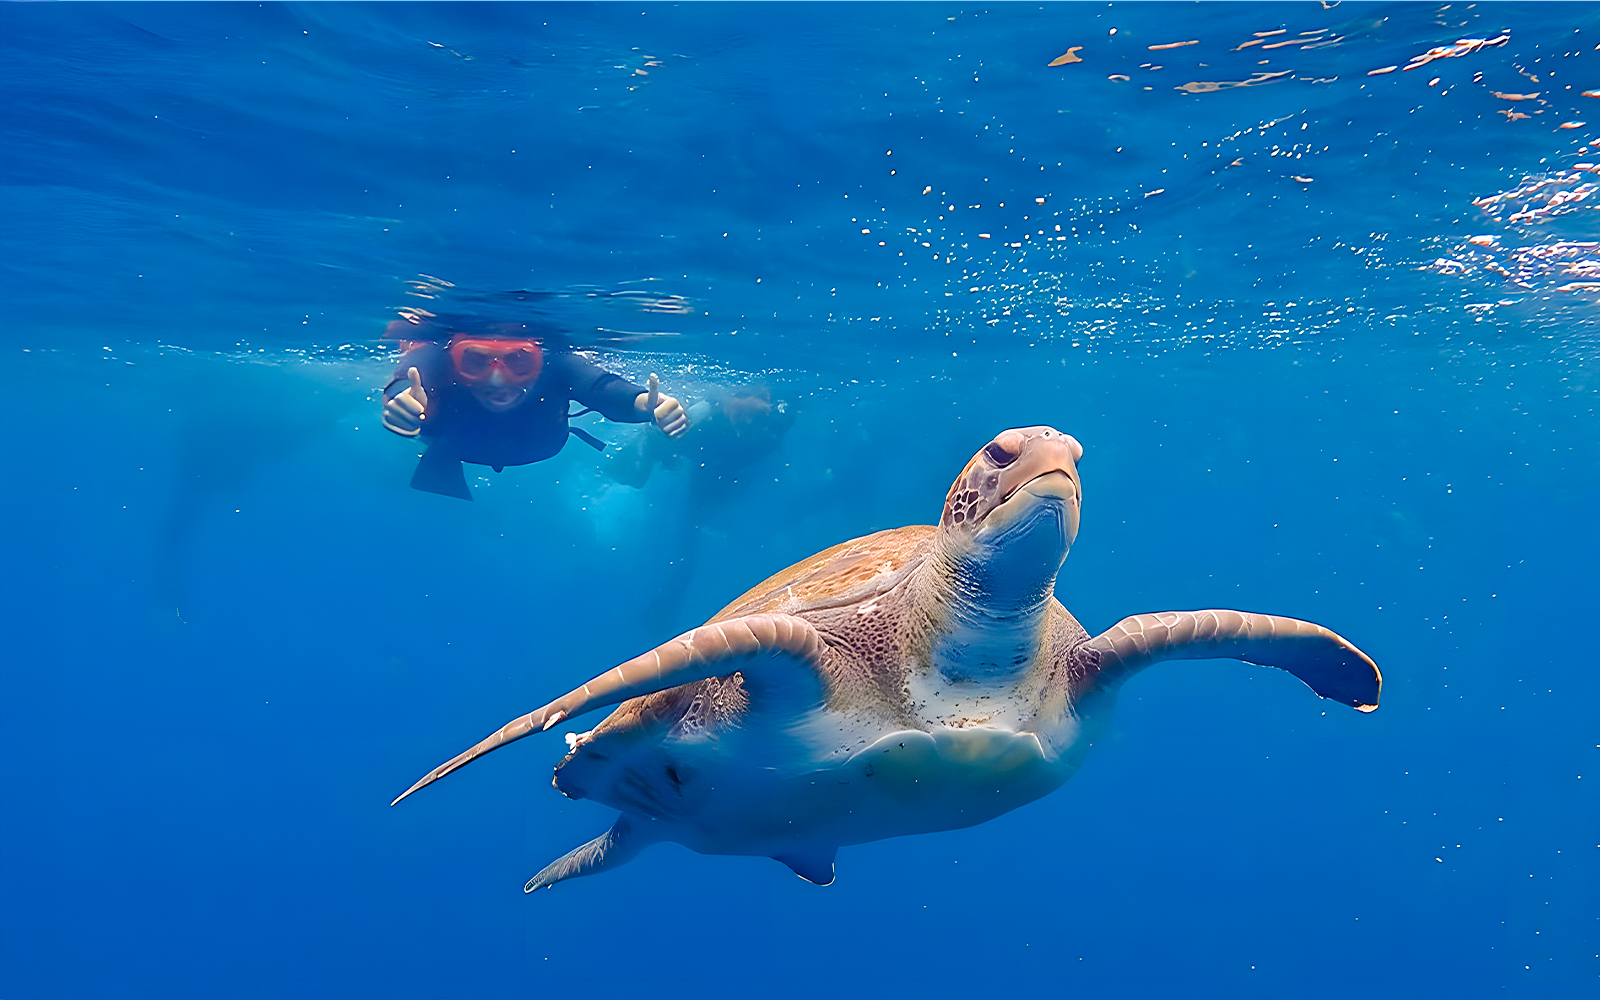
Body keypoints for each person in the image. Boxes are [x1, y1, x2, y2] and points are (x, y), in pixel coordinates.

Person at [380, 315, 688, 499]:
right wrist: (400, 403)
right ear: (455, 357)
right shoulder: (436, 359)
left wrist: (645, 405)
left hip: (473, 445)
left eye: (519, 361)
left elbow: (602, 389)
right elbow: (406, 378)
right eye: (475, 360)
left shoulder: (558, 365)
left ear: (539, 358)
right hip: (515, 444)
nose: (498, 379)